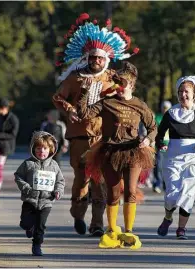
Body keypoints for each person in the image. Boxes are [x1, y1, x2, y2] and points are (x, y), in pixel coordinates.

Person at [52, 13, 138, 237]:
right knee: (82, 180)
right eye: (92, 58)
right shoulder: (75, 78)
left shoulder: (112, 78)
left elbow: (128, 95)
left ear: (106, 60)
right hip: (79, 136)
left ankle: (97, 224)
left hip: (103, 137)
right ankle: (78, 214)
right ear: (87, 58)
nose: (96, 62)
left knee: (100, 181)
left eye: (99, 59)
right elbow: (58, 97)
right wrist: (69, 109)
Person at [77, 61, 157, 249]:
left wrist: (148, 139)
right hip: (109, 152)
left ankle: (128, 231)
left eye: (123, 83)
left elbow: (153, 127)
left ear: (132, 85)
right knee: (112, 194)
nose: (120, 87)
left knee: (130, 191)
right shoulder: (107, 103)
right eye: (117, 82)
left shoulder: (140, 105)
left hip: (133, 152)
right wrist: (84, 91)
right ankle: (112, 230)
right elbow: (84, 114)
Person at [156, 76, 195, 240]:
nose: (183, 95)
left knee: (188, 192)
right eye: (180, 91)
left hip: (194, 157)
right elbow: (160, 134)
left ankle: (181, 229)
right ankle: (168, 218)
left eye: (187, 92)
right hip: (173, 157)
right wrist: (160, 144)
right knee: (172, 194)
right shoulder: (171, 114)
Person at [15, 131, 65, 256]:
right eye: (38, 148)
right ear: (33, 148)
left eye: (45, 148)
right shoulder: (28, 164)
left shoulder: (54, 166)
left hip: (46, 202)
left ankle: (37, 245)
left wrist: (58, 191)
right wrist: (26, 188)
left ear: (51, 150)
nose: (41, 151)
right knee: (25, 223)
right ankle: (28, 227)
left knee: (40, 226)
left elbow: (60, 181)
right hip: (30, 200)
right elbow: (18, 176)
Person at [152, 100, 172, 193]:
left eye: (167, 108)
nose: (165, 109)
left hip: (171, 144)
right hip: (160, 144)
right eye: (164, 108)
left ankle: (166, 185)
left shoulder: (173, 118)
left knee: (168, 166)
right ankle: (157, 184)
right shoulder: (158, 117)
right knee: (158, 165)